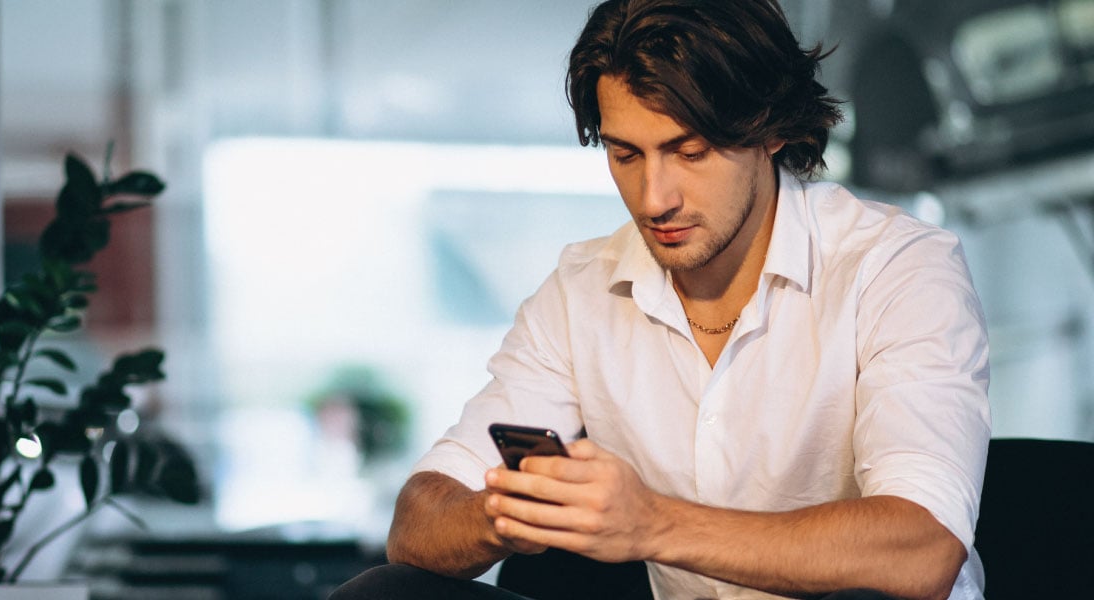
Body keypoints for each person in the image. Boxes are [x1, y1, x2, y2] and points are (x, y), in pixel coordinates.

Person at [331, 0, 990, 599]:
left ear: (772, 130)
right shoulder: (581, 290)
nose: (654, 199)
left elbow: (921, 547)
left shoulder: (897, 267)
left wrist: (650, 524)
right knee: (382, 594)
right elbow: (420, 520)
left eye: (690, 151)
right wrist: (510, 509)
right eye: (626, 154)